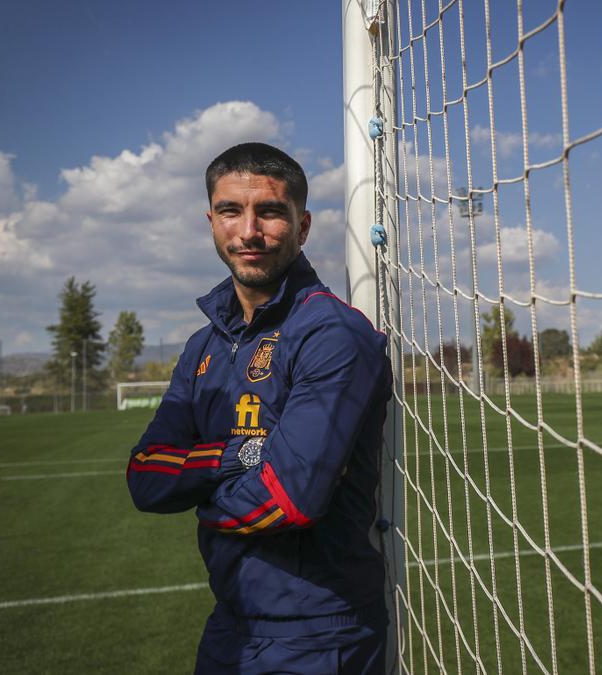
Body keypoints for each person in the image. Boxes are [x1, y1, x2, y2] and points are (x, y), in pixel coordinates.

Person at [126, 142, 392, 674]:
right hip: (231, 621)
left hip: (318, 631)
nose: (249, 231)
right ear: (211, 221)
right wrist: (237, 457)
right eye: (230, 211)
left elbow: (289, 499)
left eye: (269, 211)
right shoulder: (204, 345)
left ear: (303, 224)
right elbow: (144, 476)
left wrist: (200, 501)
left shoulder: (331, 333)